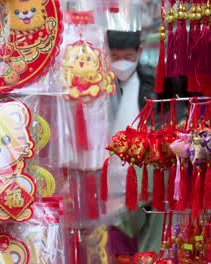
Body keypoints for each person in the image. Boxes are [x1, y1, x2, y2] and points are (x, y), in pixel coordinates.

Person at [105, 30, 162, 262]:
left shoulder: (152, 84)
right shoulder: (98, 85)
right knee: (115, 247)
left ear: (139, 52)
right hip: (107, 181)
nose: (121, 63)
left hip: (140, 177)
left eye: (128, 56)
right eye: (115, 56)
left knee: (144, 241)